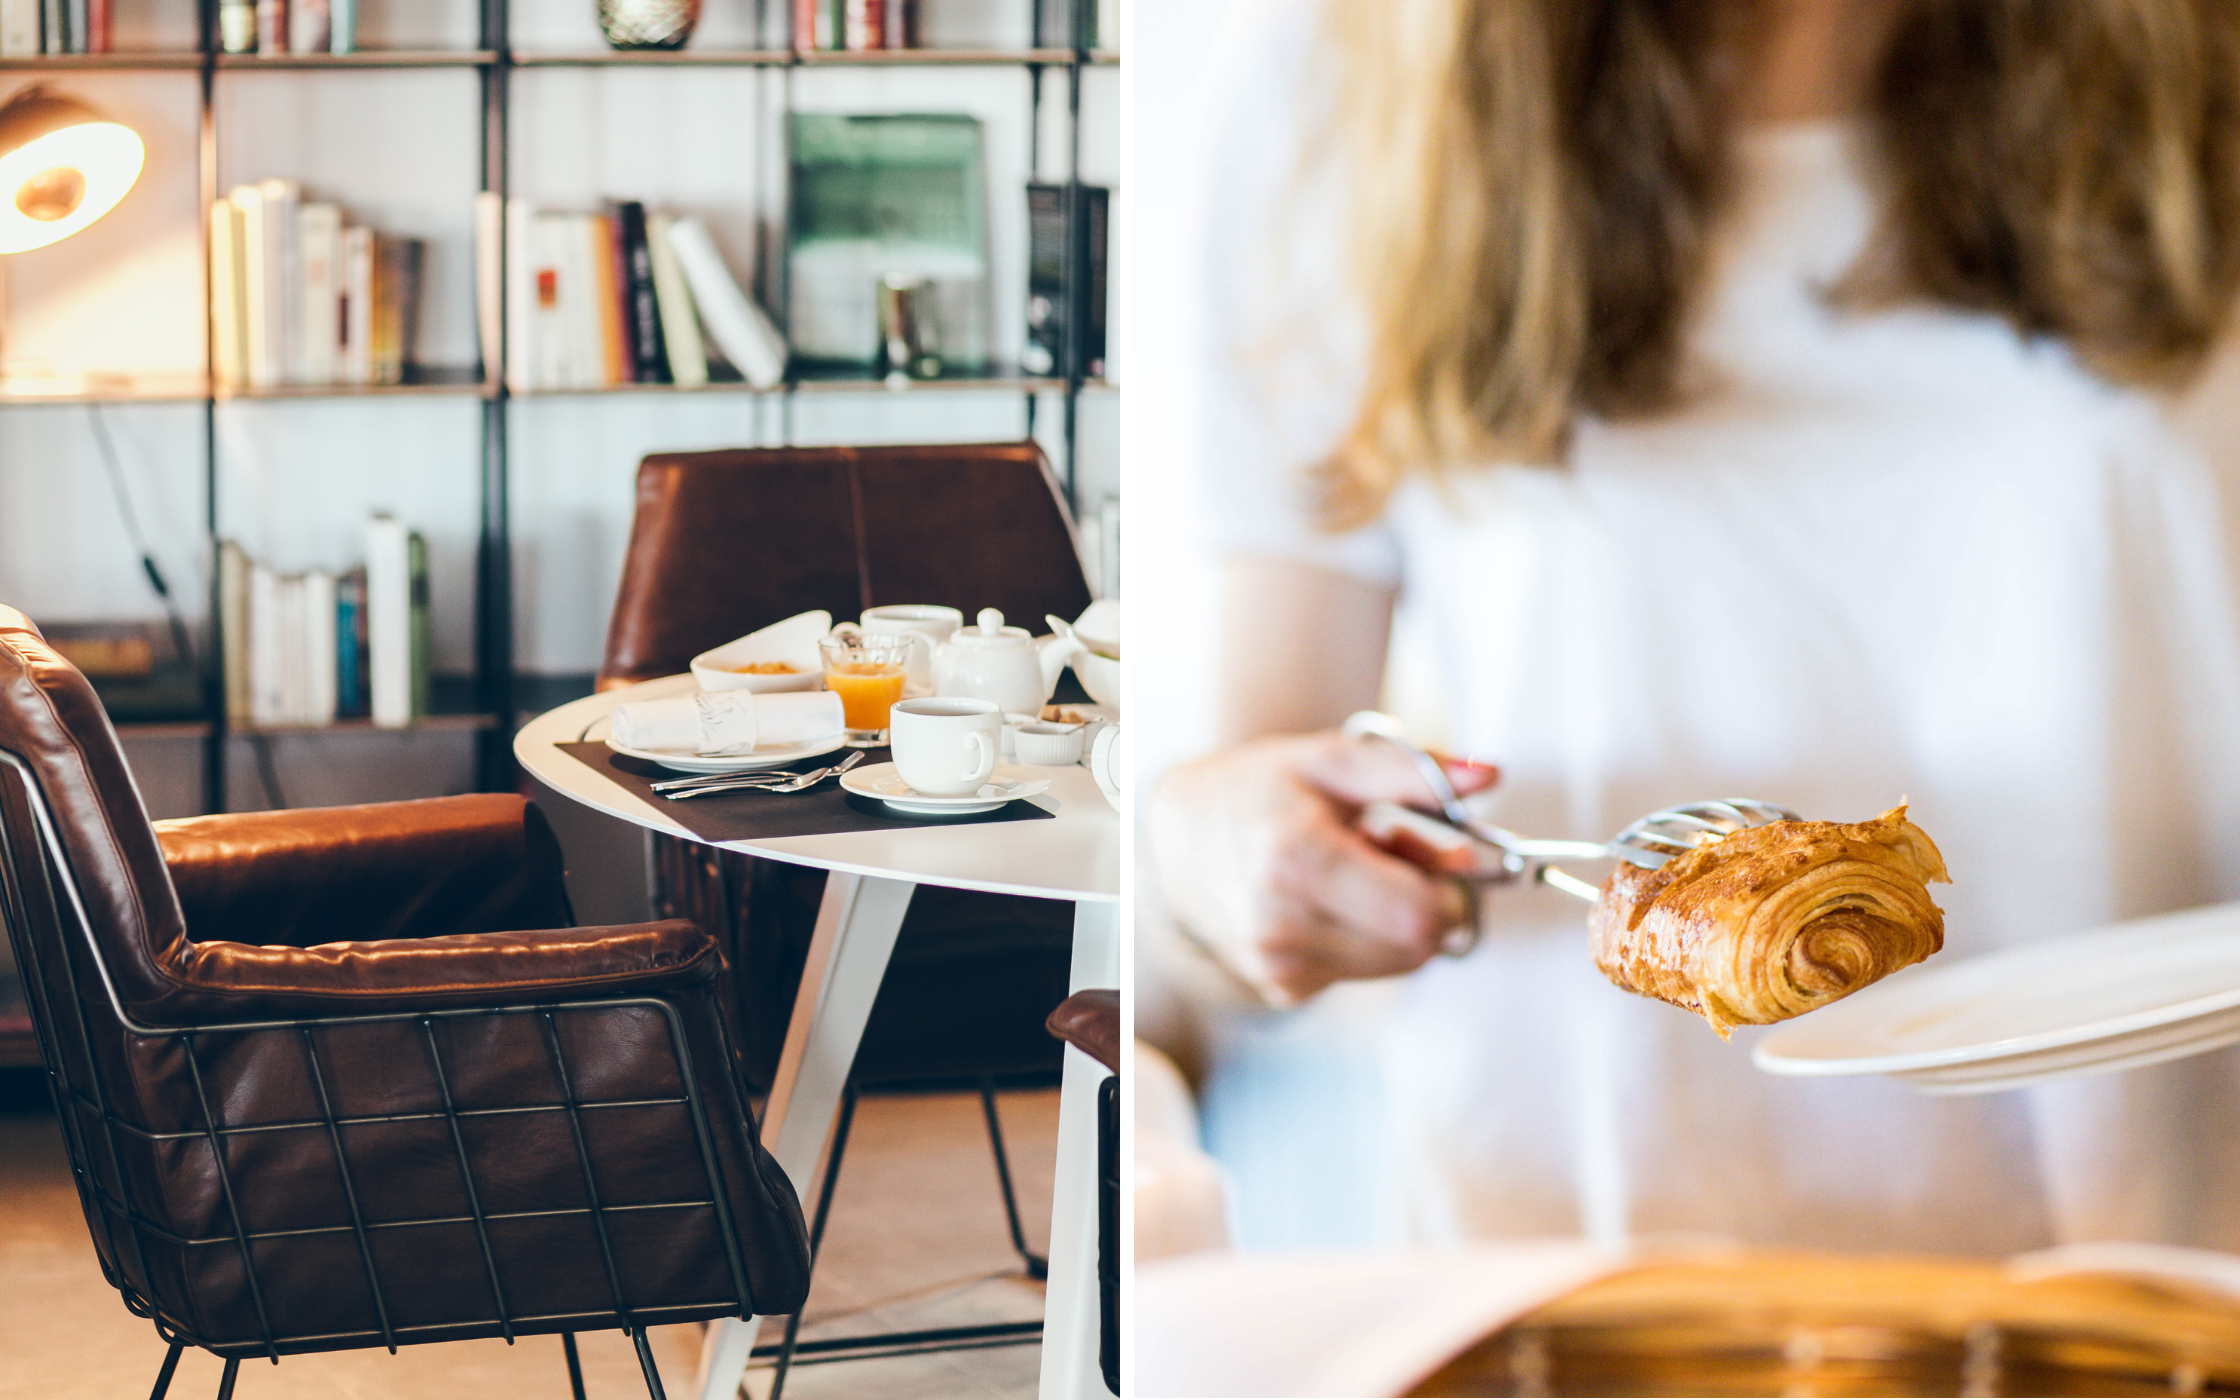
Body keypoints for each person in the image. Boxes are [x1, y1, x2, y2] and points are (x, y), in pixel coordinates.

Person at [1146, 0, 2240, 1256]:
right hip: (1589, 1279)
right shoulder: (1341, 85)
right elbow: (1239, 861)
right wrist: (1220, 858)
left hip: (2170, 1270)